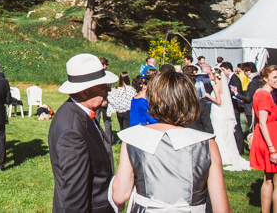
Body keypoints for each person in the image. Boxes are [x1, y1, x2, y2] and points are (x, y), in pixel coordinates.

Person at [111, 71, 232, 213]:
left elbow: (119, 196)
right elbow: (221, 209)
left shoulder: (133, 138)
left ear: (153, 99)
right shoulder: (207, 144)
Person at [48, 53, 118, 212]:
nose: (108, 88)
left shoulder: (81, 114)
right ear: (84, 92)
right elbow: (75, 197)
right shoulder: (72, 131)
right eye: (102, 85)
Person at [209, 67, 251, 171]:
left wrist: (207, 96)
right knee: (225, 132)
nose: (209, 76)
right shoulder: (224, 85)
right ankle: (227, 153)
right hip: (222, 111)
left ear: (215, 76)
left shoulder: (215, 86)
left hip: (218, 110)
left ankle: (222, 155)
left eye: (210, 75)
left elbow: (218, 101)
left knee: (218, 130)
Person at [250, 65, 277, 212]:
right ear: (266, 79)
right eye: (275, 77)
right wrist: (272, 149)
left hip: (267, 138)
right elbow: (262, 122)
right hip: (270, 139)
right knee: (274, 181)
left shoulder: (259, 92)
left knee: (268, 179)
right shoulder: (265, 95)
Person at [221, 62, 245, 154]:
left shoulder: (235, 79)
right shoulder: (230, 78)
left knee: (237, 126)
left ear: (228, 69)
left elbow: (236, 92)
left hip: (235, 105)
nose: (223, 72)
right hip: (231, 105)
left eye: (223, 70)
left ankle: (240, 147)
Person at [235, 61, 260, 131]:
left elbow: (248, 98)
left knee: (254, 129)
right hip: (255, 108)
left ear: (249, 71)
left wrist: (236, 94)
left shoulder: (253, 82)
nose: (244, 74)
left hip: (250, 109)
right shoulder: (258, 79)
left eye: (244, 72)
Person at [95, 58, 113, 144]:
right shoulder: (106, 75)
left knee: (97, 118)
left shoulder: (94, 76)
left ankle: (97, 137)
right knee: (107, 120)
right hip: (104, 100)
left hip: (98, 99)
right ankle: (108, 138)